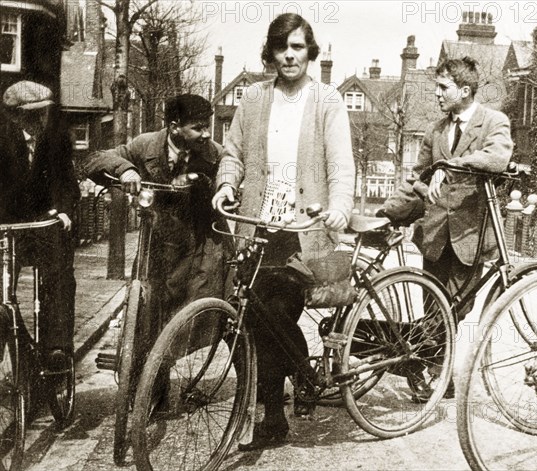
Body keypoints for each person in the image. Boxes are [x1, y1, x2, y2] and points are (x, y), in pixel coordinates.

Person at [212, 13, 355, 451]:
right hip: (258, 224)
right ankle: (280, 405)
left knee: (274, 314)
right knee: (246, 323)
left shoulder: (327, 99)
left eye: (297, 46)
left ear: (310, 51)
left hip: (304, 228)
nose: (289, 55)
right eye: (281, 47)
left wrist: (339, 207)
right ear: (271, 52)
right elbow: (233, 152)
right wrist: (225, 184)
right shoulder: (254, 98)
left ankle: (289, 393)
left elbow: (340, 163)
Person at [382, 57, 513, 399]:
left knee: (457, 307)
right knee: (433, 306)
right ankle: (437, 374)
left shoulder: (493, 122)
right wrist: (398, 207)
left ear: (465, 90)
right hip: (435, 234)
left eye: (443, 88)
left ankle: (431, 369)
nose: (437, 94)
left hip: (469, 235)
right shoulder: (435, 130)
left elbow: (496, 158)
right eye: (437, 87)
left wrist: (450, 165)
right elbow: (418, 177)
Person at [83, 94, 229, 343]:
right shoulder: (145, 145)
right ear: (174, 127)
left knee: (207, 309)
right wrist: (125, 170)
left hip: (199, 243)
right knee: (146, 309)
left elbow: (231, 164)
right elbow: (94, 159)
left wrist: (224, 186)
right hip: (157, 242)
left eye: (207, 126)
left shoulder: (212, 152)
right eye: (197, 128)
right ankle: (145, 376)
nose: (206, 134)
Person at [0, 80, 80, 370]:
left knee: (59, 271)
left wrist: (64, 210)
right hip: (6, 224)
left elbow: (66, 181)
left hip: (44, 221)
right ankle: (19, 345)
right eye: (31, 115)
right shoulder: (2, 139)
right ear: (13, 115)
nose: (38, 121)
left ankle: (56, 348)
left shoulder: (55, 139)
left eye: (43, 113)